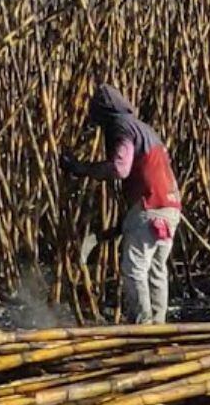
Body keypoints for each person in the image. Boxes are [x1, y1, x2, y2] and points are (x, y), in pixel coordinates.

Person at [59, 85, 183, 324]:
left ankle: (144, 327)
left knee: (135, 268)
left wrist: (82, 168)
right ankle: (159, 327)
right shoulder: (144, 129)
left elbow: (120, 168)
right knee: (157, 269)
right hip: (170, 205)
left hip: (150, 204)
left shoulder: (121, 127)